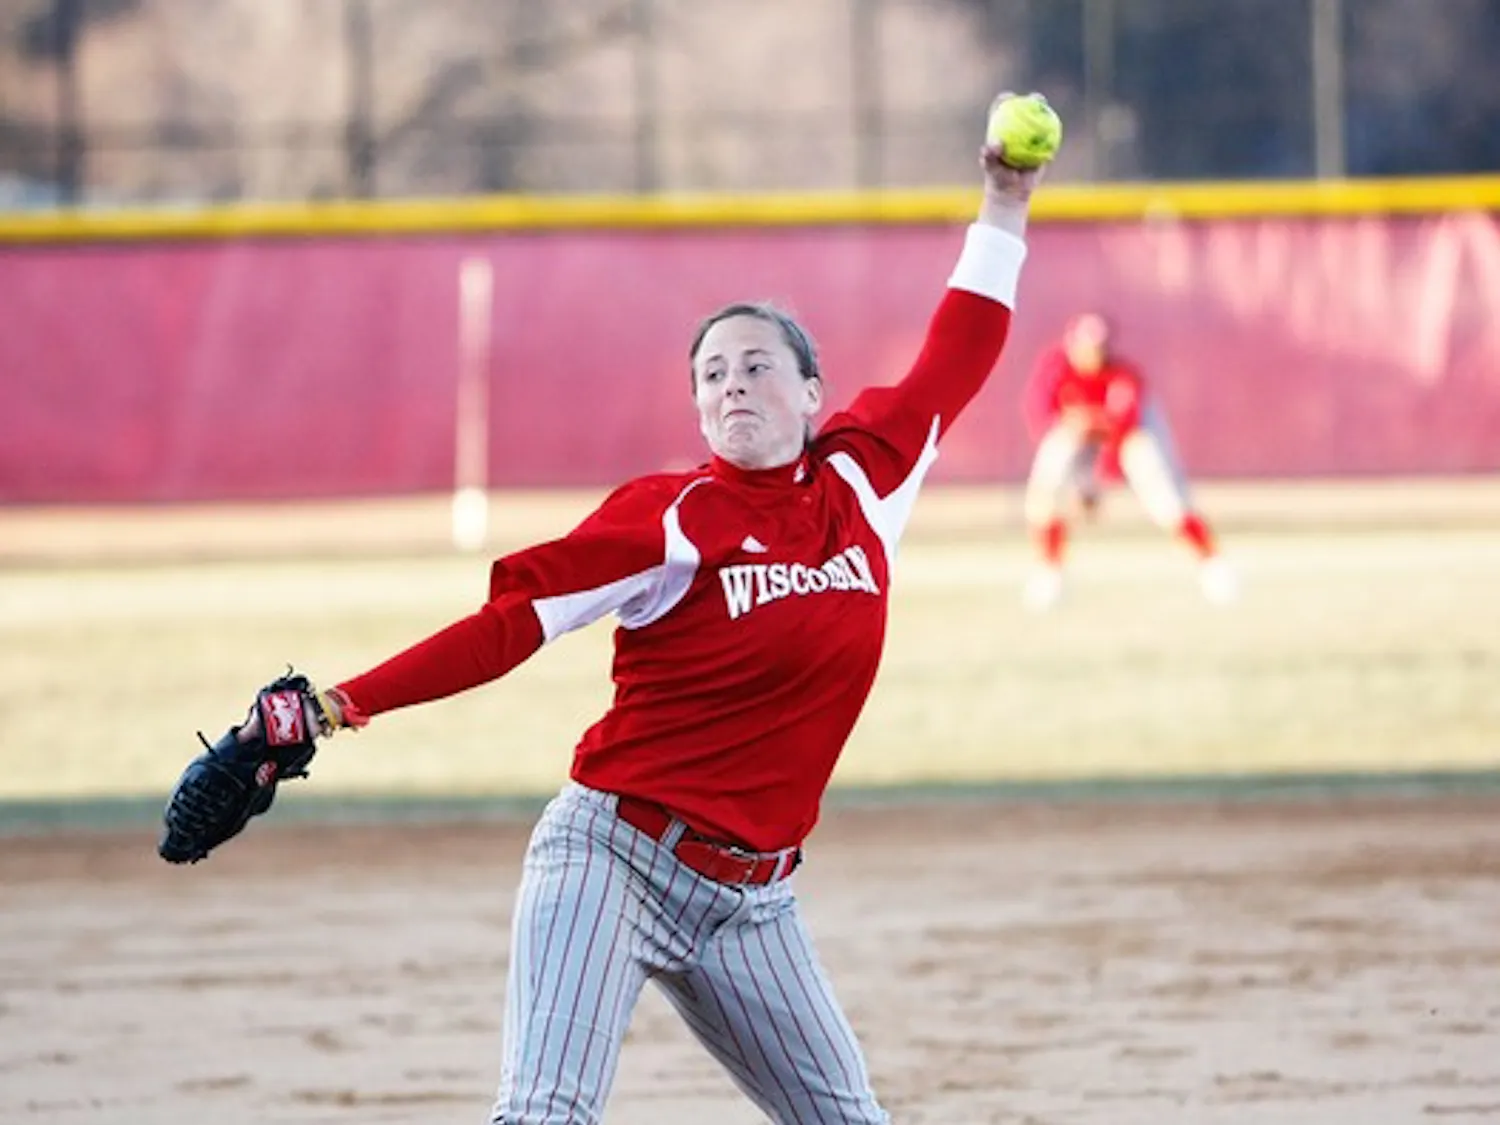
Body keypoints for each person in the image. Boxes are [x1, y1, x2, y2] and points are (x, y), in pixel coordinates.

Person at [235, 95, 1042, 1124]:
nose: (734, 383)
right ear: (698, 408)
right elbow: (511, 622)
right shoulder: (673, 517)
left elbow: (959, 349)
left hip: (755, 903)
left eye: (758, 364)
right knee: (546, 1116)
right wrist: (341, 704)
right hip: (613, 862)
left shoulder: (867, 483)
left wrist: (1003, 205)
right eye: (712, 374)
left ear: (811, 394)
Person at [1019, 311, 1238, 610]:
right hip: (1078, 440)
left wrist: (1096, 485)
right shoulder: (1057, 372)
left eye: (1097, 349)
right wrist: (1080, 477)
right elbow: (1041, 417)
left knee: (1166, 498)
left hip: (1125, 436)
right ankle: (1049, 570)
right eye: (1084, 348)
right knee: (1048, 485)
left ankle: (1211, 564)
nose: (1091, 356)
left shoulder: (1122, 378)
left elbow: (1123, 432)